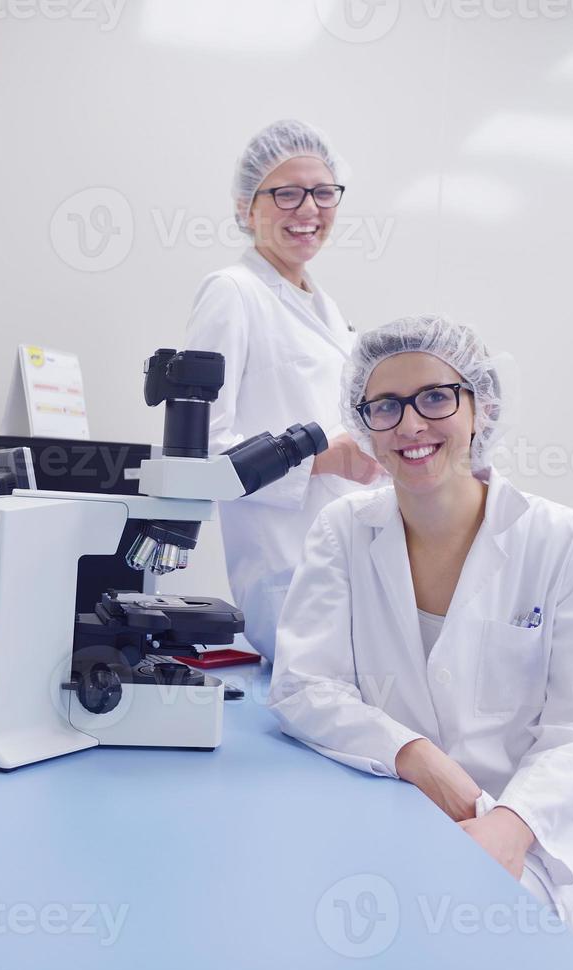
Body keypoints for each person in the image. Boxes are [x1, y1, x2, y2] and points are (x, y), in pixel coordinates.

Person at [268, 315, 573, 941]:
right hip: (390, 804)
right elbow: (305, 685)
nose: (410, 425)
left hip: (535, 830)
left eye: (435, 397)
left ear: (480, 408)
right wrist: (414, 756)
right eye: (385, 406)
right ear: (365, 428)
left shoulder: (566, 543)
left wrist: (510, 824)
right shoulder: (344, 531)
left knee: (484, 938)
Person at [185, 119, 383, 661]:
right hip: (285, 572)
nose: (309, 210)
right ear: (248, 207)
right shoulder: (233, 293)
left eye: (323, 193)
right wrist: (326, 460)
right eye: (287, 193)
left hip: (344, 559)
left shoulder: (325, 307)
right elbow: (202, 450)